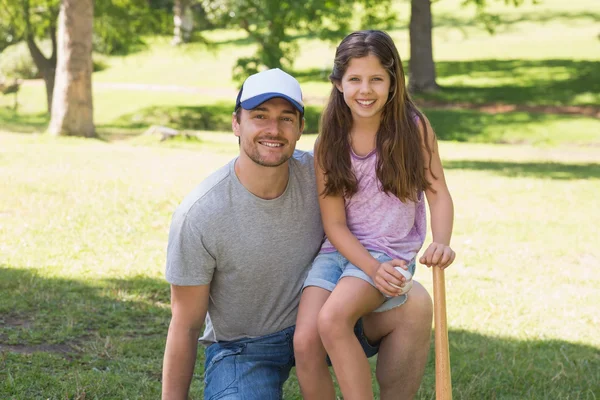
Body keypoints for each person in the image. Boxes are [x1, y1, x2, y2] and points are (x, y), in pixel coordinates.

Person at [161, 67, 434, 400]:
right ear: (236, 122)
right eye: (260, 116)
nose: (273, 130)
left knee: (415, 301)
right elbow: (185, 325)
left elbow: (388, 205)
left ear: (301, 127)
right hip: (247, 347)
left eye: (287, 118)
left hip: (328, 321)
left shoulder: (326, 172)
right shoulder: (200, 214)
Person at [293, 30, 456, 400]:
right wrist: (366, 266)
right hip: (341, 253)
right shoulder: (329, 142)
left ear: (393, 82)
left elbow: (438, 192)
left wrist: (441, 241)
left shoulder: (413, 130)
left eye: (376, 79)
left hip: (389, 253)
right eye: (354, 79)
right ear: (338, 83)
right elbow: (334, 224)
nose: (365, 90)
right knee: (304, 341)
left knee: (333, 320)